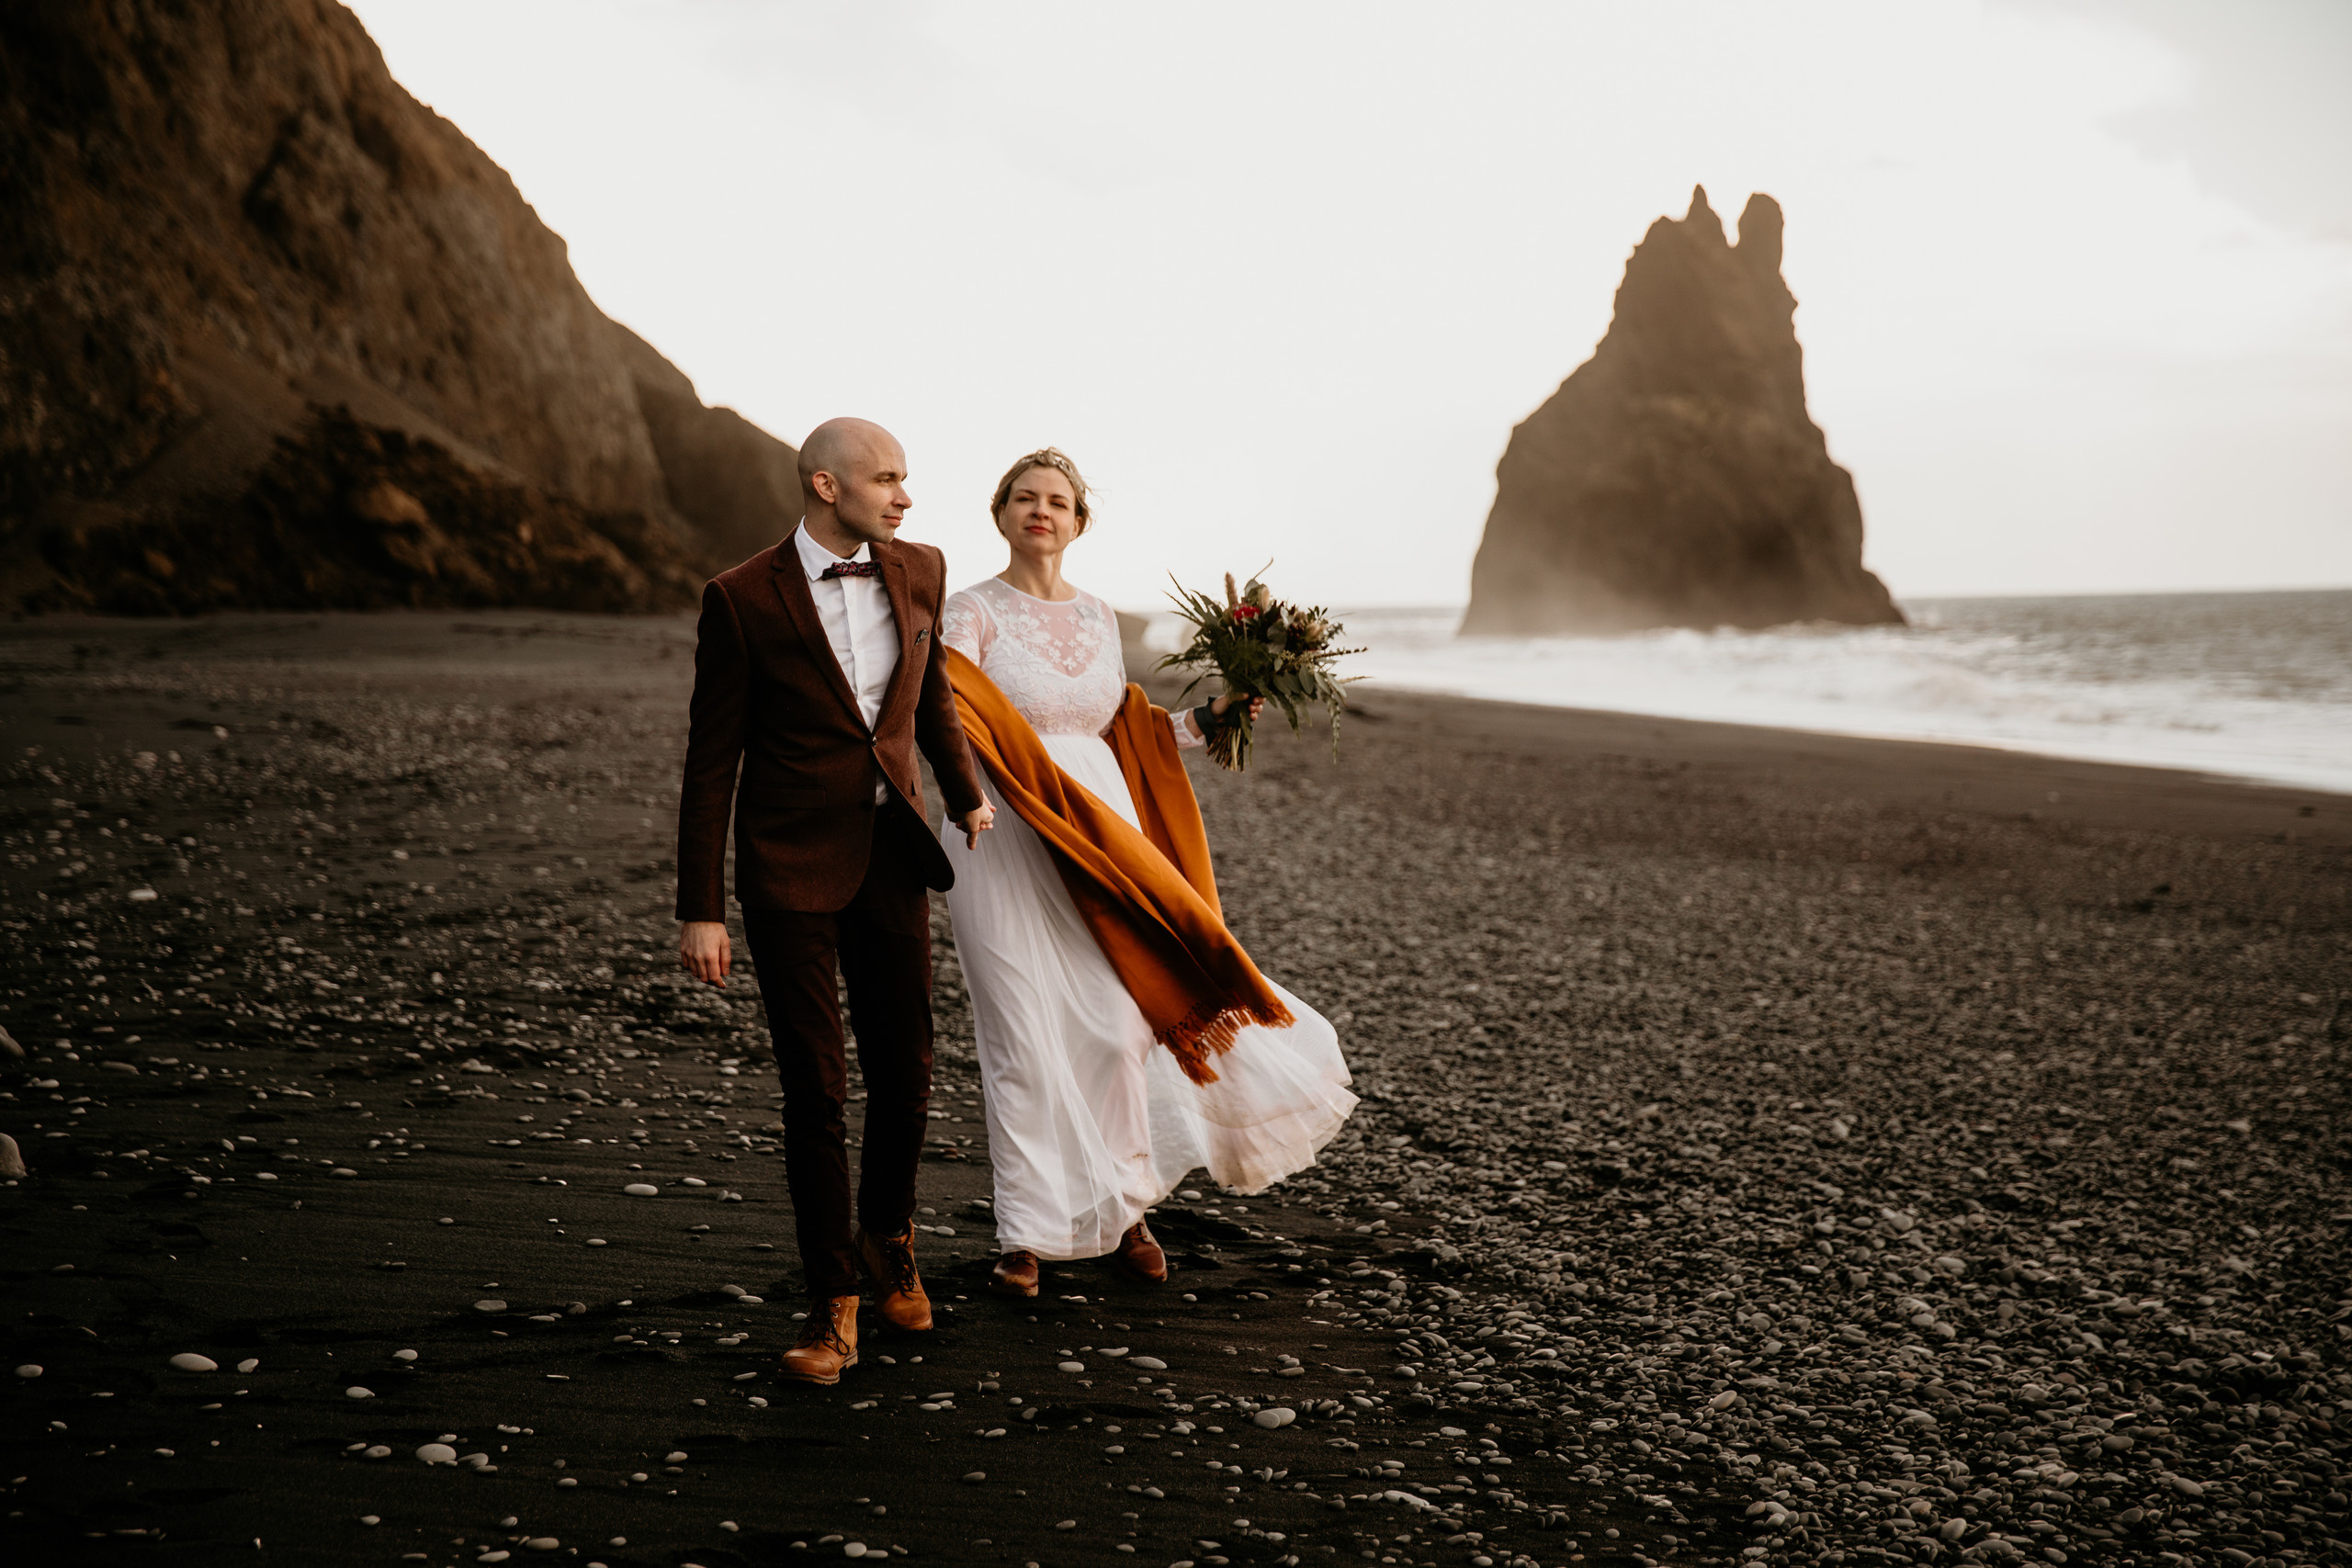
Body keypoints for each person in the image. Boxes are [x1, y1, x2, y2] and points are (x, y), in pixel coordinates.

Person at [937, 447, 1357, 1299]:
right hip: (1003, 823)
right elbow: (942, 706)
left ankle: (1123, 1207)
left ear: (1080, 521)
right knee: (1021, 1024)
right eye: (1024, 497)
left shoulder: (1097, 616)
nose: (1040, 511)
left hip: (1104, 828)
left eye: (1057, 500)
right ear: (1001, 513)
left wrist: (1218, 713)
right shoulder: (969, 611)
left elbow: (1129, 729)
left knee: (1118, 1023)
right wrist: (963, 796)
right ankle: (1026, 1232)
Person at [673, 417, 995, 1385]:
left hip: (893, 854)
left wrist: (966, 790)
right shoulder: (738, 599)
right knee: (813, 1090)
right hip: (786, 871)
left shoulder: (920, 569)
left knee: (906, 1072)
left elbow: (929, 692)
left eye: (904, 479)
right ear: (826, 485)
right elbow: (711, 759)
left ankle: (889, 1235)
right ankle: (833, 1304)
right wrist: (703, 907)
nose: (903, 497)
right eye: (886, 479)